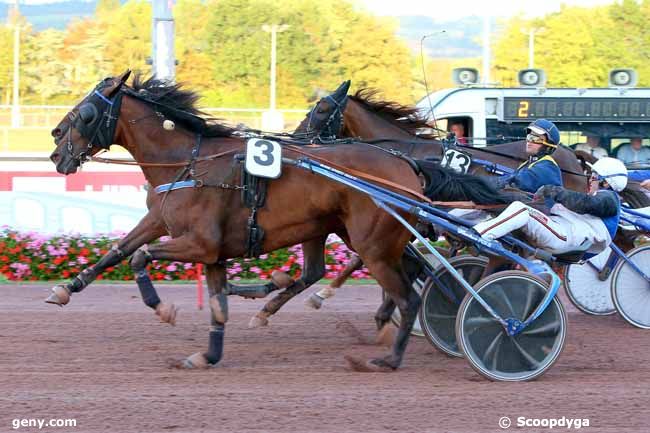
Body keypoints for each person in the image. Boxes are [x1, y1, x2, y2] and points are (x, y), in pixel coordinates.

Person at [474, 157, 627, 255]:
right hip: (563, 233)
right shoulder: (599, 199)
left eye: (594, 176)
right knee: (519, 204)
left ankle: (478, 235)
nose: (589, 179)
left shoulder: (609, 198)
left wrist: (555, 191)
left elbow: (585, 204)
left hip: (565, 238)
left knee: (521, 210)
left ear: (606, 182)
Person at [495, 118, 563, 193]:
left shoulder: (547, 166)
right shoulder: (528, 163)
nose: (529, 142)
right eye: (529, 137)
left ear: (548, 146)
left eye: (535, 138)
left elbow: (518, 182)